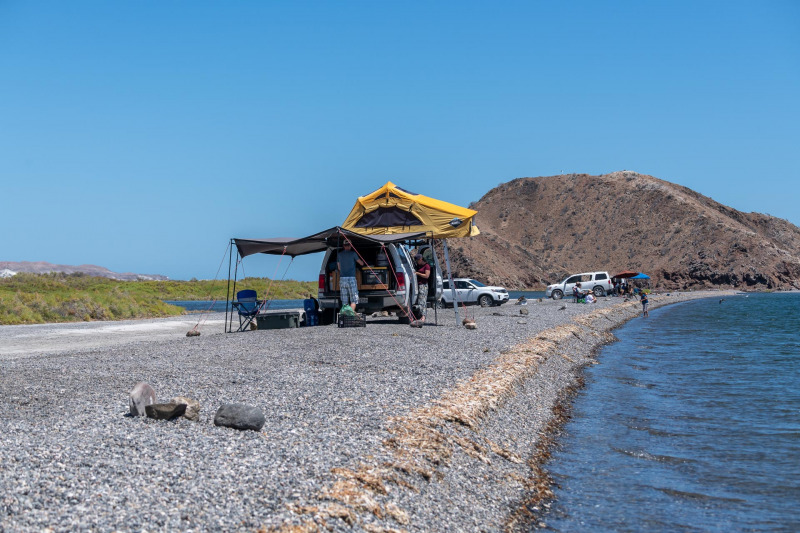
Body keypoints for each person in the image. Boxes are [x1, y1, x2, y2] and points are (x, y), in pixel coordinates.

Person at [337, 241, 365, 309]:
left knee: (344, 300)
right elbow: (361, 263)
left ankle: (345, 316)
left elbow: (339, 268)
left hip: (342, 279)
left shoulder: (339, 254)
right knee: (353, 299)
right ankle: (351, 315)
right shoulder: (353, 253)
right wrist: (363, 262)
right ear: (350, 246)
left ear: (343, 246)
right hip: (351, 279)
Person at [414, 253, 431, 322]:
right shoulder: (419, 266)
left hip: (423, 285)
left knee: (423, 301)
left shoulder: (427, 266)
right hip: (419, 284)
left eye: (417, 260)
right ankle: (420, 315)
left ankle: (423, 316)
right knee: (419, 301)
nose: (417, 262)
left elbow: (427, 276)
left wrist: (418, 273)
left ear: (420, 259)